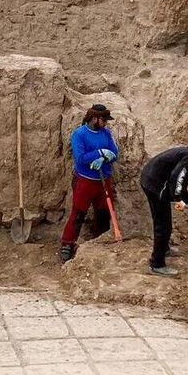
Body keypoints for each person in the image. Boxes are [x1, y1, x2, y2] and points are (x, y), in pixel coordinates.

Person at [140, 131, 188, 277]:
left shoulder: (187, 153)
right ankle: (157, 264)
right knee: (163, 225)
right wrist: (177, 199)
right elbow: (178, 178)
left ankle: (164, 248)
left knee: (162, 221)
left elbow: (179, 184)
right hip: (155, 185)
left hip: (149, 180)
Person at [59, 104, 120, 263]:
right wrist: (99, 153)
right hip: (85, 181)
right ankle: (68, 243)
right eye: (103, 119)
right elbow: (80, 158)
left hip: (104, 180)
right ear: (94, 118)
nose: (106, 123)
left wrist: (105, 157)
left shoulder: (106, 134)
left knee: (103, 213)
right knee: (78, 213)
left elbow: (114, 153)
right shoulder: (79, 135)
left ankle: (99, 241)